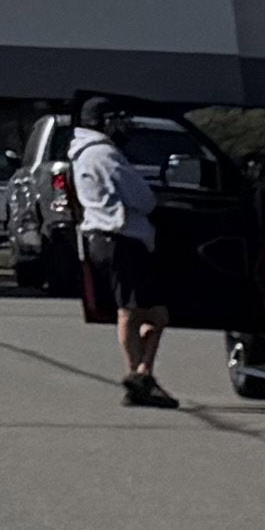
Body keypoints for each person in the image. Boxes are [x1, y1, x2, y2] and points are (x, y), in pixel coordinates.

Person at [67, 101, 173, 406]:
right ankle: (137, 376)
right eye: (116, 120)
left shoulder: (81, 153)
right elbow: (142, 198)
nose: (122, 127)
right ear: (101, 123)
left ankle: (142, 375)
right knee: (135, 311)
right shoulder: (104, 154)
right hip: (121, 238)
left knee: (149, 312)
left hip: (100, 238)